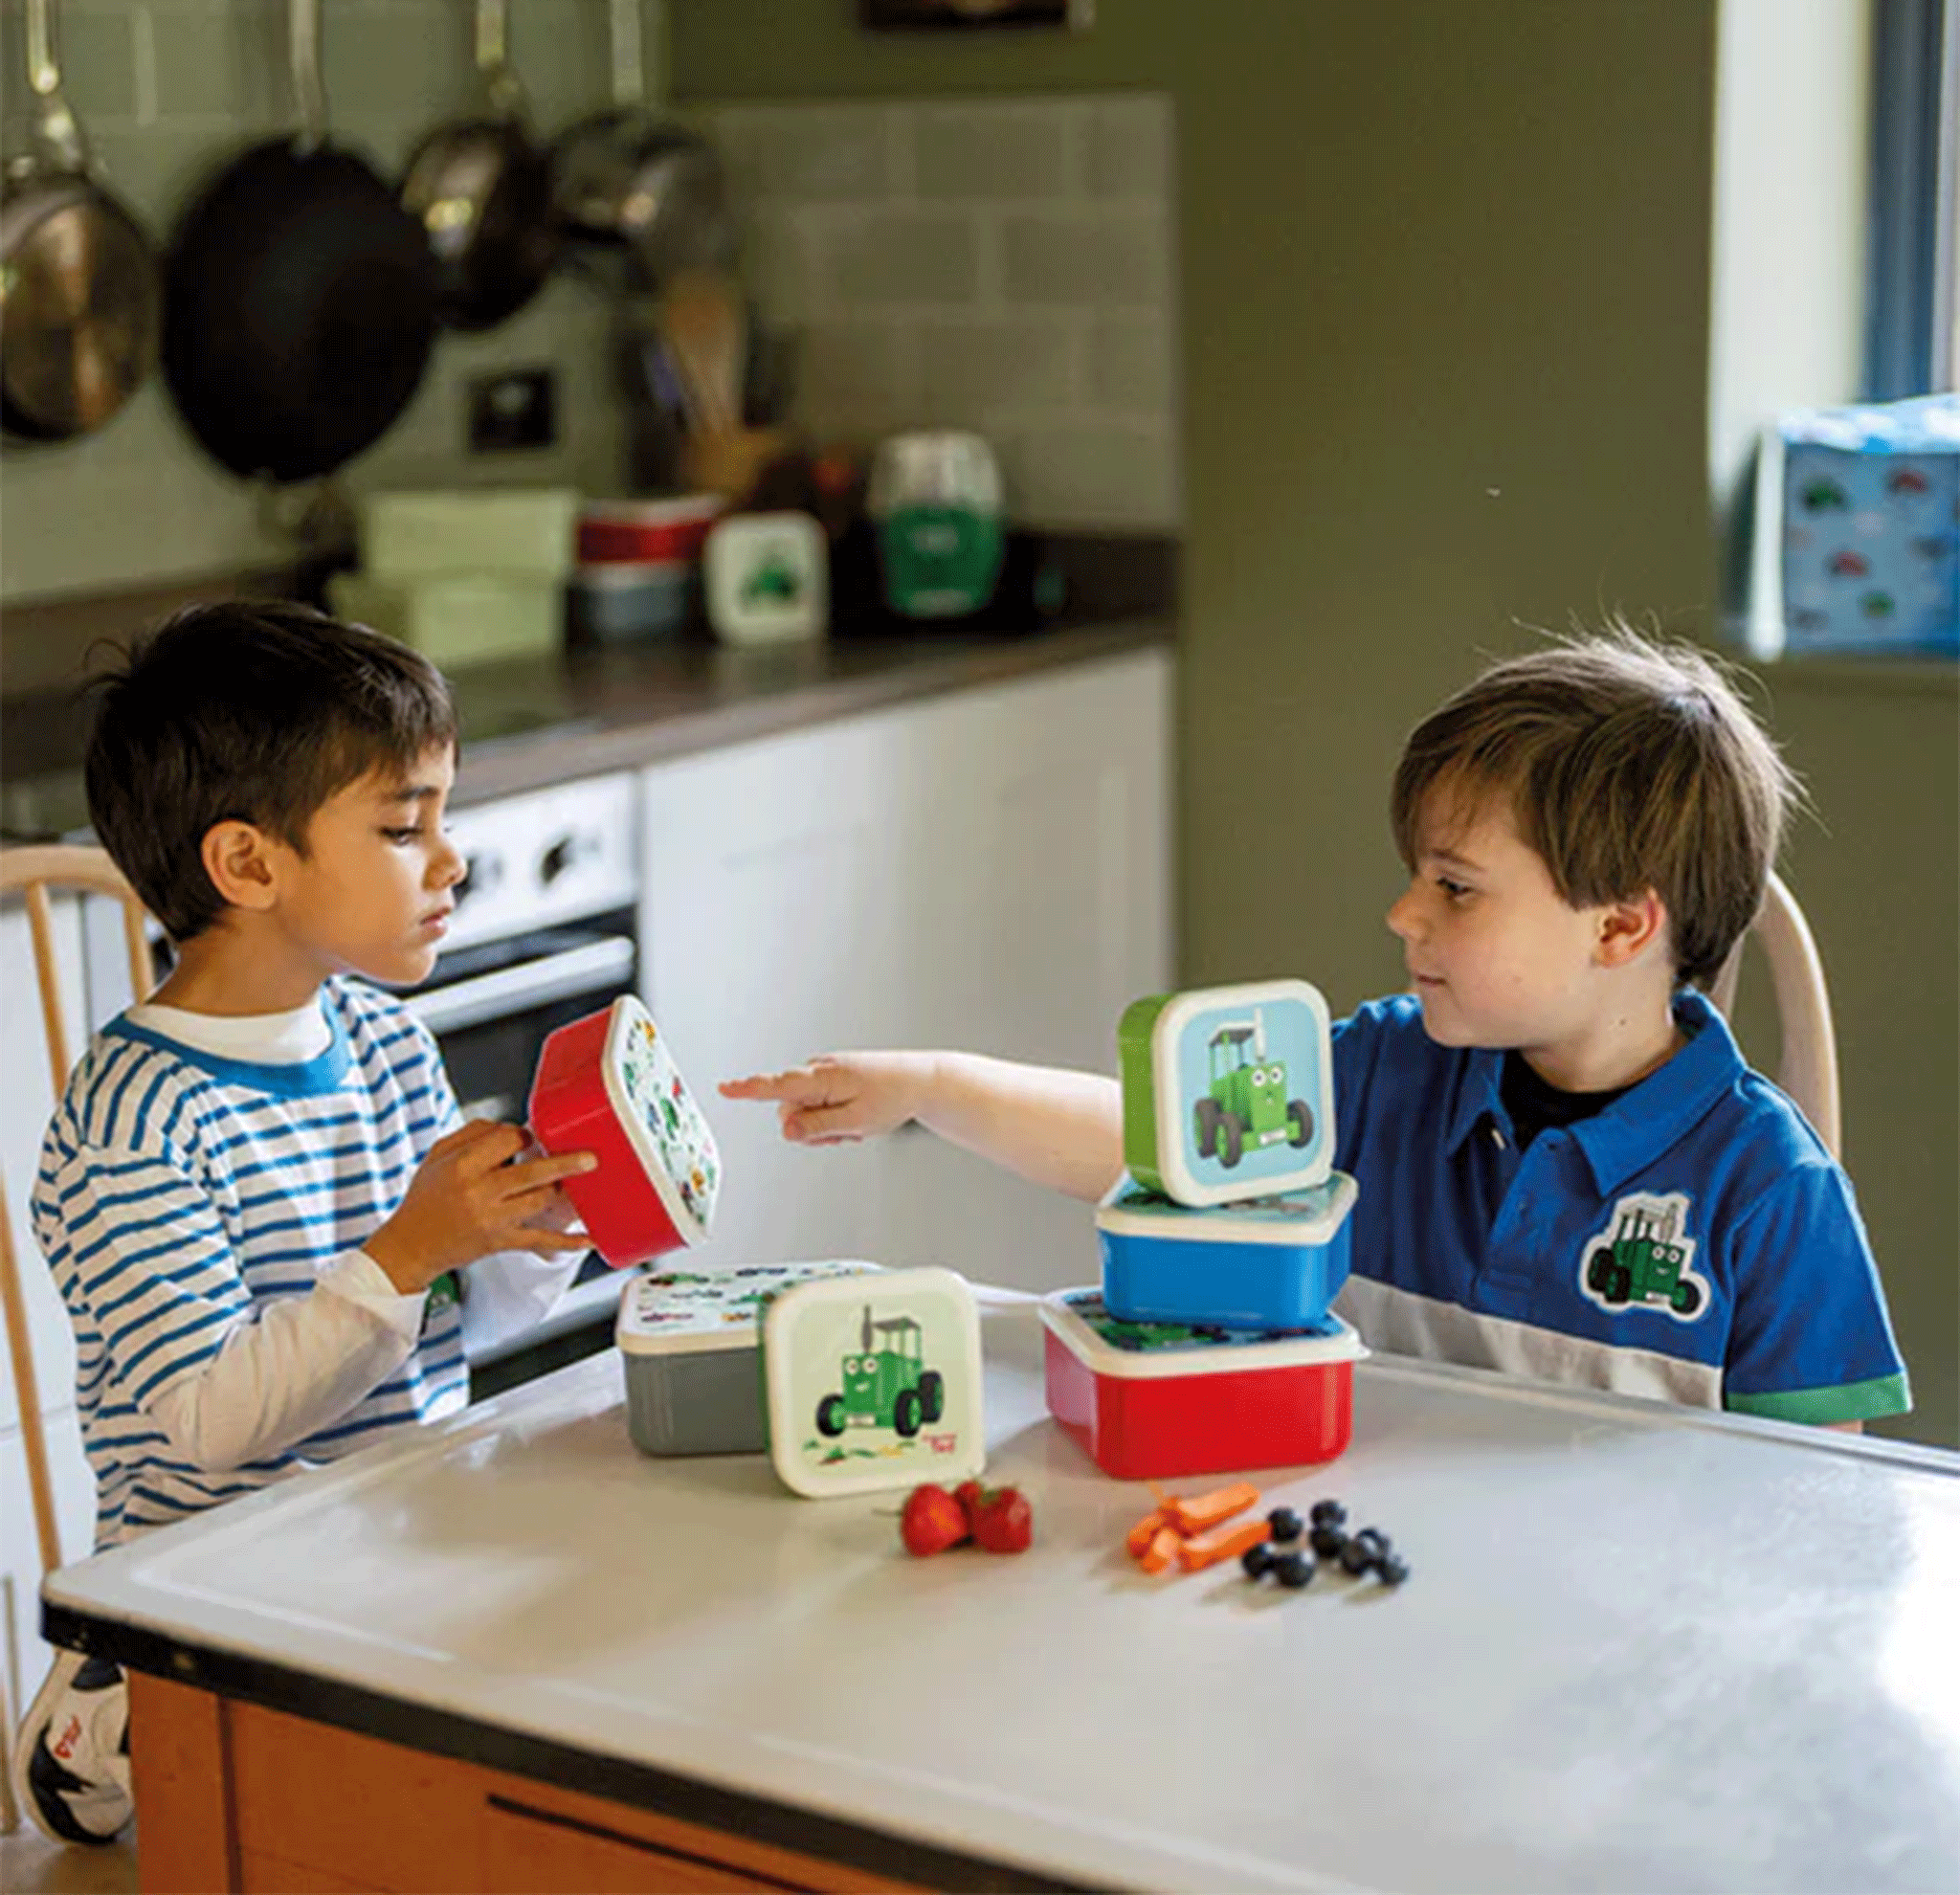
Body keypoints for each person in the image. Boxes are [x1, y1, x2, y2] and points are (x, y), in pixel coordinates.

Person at [723, 627, 1909, 1434]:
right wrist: (933, 1083)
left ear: (1619, 927)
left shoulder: (1769, 1195)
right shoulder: (1385, 1073)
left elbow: (1811, 1519)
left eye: (1454, 886)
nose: (1401, 912)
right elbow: (1143, 1140)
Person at [11, 601, 597, 1846]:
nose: (451, 860)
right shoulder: (136, 1121)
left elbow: (450, 1322)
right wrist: (414, 1246)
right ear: (249, 866)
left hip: (401, 1538)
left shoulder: (381, 1040)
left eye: (444, 817)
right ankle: (99, 1707)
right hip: (218, 1588)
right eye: (402, 827)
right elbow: (215, 1421)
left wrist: (529, 1233)